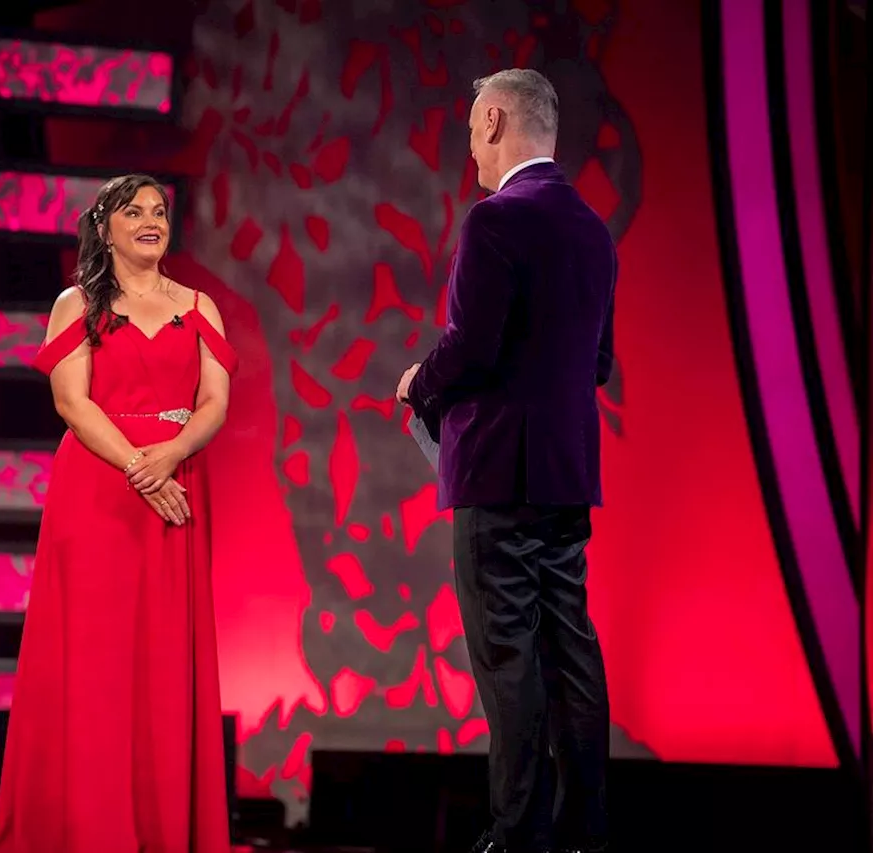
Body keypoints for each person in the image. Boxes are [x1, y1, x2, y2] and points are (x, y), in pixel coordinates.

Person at [396, 69, 615, 853]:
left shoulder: (495, 221)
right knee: (571, 648)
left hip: (496, 473)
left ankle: (516, 831)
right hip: (565, 474)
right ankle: (584, 829)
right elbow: (599, 364)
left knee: (507, 658)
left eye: (469, 131)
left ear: (492, 121)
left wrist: (419, 379)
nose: (470, 150)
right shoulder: (594, 229)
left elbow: (472, 346)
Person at [0, 175, 238, 853]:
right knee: (94, 664)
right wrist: (139, 465)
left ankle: (159, 828)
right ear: (105, 227)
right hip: (100, 489)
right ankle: (87, 829)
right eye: (135, 212)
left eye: (159, 212)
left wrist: (173, 453)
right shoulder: (78, 303)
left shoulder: (198, 307)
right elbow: (72, 402)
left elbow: (214, 400)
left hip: (174, 486)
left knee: (161, 664)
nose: (151, 221)